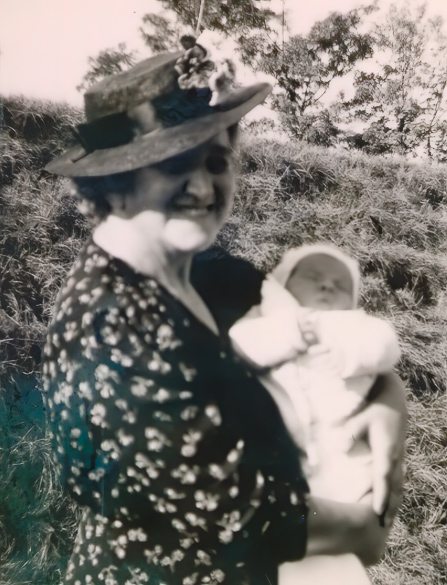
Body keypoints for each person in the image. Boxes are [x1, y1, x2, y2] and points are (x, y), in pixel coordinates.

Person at [42, 36, 406, 585]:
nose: (202, 185)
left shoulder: (220, 279)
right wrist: (367, 530)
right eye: (173, 164)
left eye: (216, 161)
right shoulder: (109, 323)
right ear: (114, 188)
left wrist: (387, 404)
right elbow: (231, 515)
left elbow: (332, 340)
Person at [229, 244, 402, 584]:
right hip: (277, 451)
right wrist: (292, 333)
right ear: (283, 285)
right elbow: (243, 345)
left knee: (335, 552)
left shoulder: (353, 327)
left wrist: (348, 354)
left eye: (341, 284)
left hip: (339, 448)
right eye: (312, 276)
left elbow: (385, 345)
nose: (327, 286)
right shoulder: (266, 320)